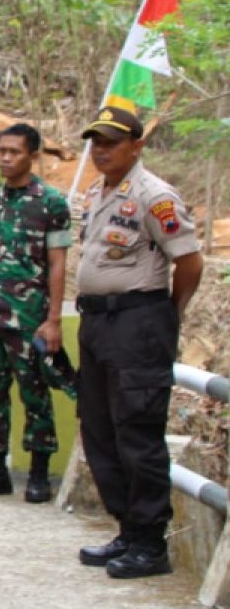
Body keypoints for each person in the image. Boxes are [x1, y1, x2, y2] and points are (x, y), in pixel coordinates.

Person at [74, 107, 203, 579]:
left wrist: (168, 315)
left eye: (110, 141)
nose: (101, 150)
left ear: (136, 145)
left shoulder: (154, 196)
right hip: (97, 324)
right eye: (95, 142)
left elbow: (189, 262)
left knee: (137, 433)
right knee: (100, 430)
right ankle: (127, 529)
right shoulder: (96, 192)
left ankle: (150, 543)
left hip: (138, 323)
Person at [0, 123, 72, 503]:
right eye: (2, 150)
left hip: (29, 319)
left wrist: (53, 320)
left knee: (35, 395)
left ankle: (38, 474)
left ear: (32, 155)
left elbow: (57, 263)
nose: (6, 158)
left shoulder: (51, 203)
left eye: (15, 152)